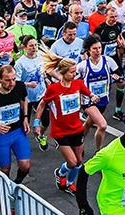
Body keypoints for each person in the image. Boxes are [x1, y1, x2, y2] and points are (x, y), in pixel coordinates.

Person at [35, 58, 98, 194]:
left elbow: (88, 92)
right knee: (72, 162)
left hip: (77, 129)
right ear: (63, 72)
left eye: (75, 72)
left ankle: (70, 183)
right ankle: (60, 173)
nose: (74, 75)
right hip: (60, 132)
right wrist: (36, 122)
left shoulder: (78, 84)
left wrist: (93, 96)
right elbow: (42, 104)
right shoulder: (54, 89)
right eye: (71, 72)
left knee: (79, 161)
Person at [75, 37, 117, 151]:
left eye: (99, 48)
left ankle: (78, 143)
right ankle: (99, 151)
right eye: (94, 49)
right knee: (102, 125)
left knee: (89, 123)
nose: (98, 51)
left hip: (103, 99)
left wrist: (117, 78)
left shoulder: (108, 61)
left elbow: (118, 74)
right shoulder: (83, 65)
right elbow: (74, 82)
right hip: (88, 101)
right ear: (88, 50)